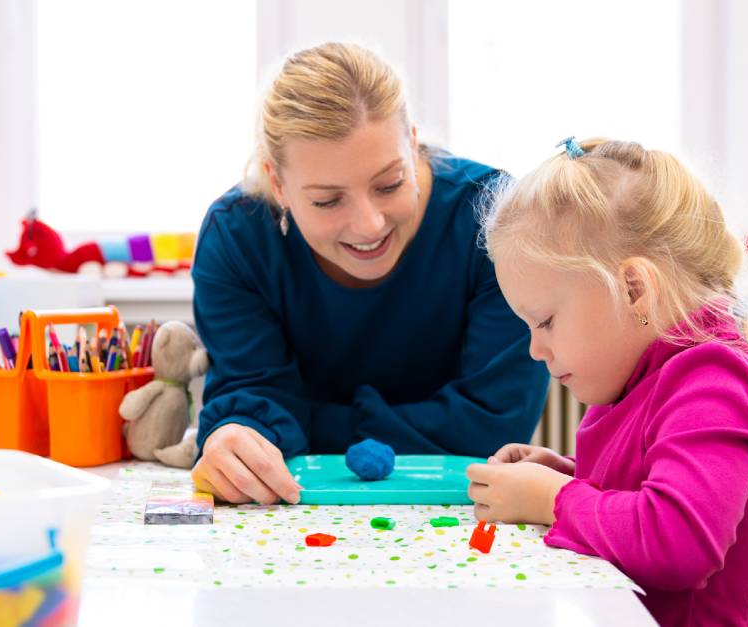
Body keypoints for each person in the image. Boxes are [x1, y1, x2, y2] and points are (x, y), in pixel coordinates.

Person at [189, 42, 548, 507]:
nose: (370, 224)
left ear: (413, 143)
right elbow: (250, 401)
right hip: (296, 514)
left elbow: (494, 425)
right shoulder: (236, 237)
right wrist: (235, 439)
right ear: (277, 183)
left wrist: (305, 425)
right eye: (327, 200)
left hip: (462, 508)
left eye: (390, 183)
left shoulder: (495, 218)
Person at [467, 137, 748, 625]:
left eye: (546, 321)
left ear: (633, 289)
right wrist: (569, 475)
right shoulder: (642, 370)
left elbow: (678, 542)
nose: (535, 349)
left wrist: (552, 499)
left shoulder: (713, 377)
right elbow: (647, 491)